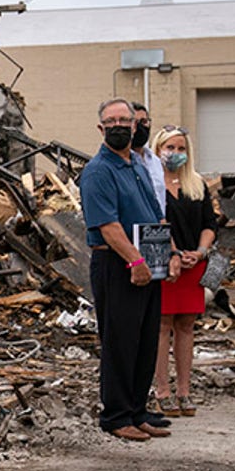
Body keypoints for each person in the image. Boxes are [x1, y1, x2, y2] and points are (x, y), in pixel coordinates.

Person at [80, 98, 170, 442]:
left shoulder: (137, 165)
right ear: (101, 128)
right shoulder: (98, 171)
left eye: (124, 120)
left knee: (145, 340)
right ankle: (116, 415)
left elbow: (155, 215)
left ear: (135, 126)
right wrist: (135, 261)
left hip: (149, 263)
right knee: (120, 341)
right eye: (111, 121)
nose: (118, 126)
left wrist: (167, 255)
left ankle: (137, 409)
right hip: (119, 264)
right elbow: (108, 226)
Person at [150, 126, 224, 418]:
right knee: (161, 326)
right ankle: (162, 391)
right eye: (170, 147)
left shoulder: (197, 184)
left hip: (194, 263)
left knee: (187, 326)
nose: (176, 153)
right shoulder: (151, 183)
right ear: (157, 150)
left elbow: (210, 223)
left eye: (181, 148)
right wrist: (173, 253)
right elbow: (155, 222)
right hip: (166, 264)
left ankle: (184, 390)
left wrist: (201, 252)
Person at [131, 102, 167, 214]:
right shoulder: (120, 162)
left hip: (157, 228)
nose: (140, 127)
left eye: (144, 122)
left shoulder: (156, 162)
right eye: (135, 122)